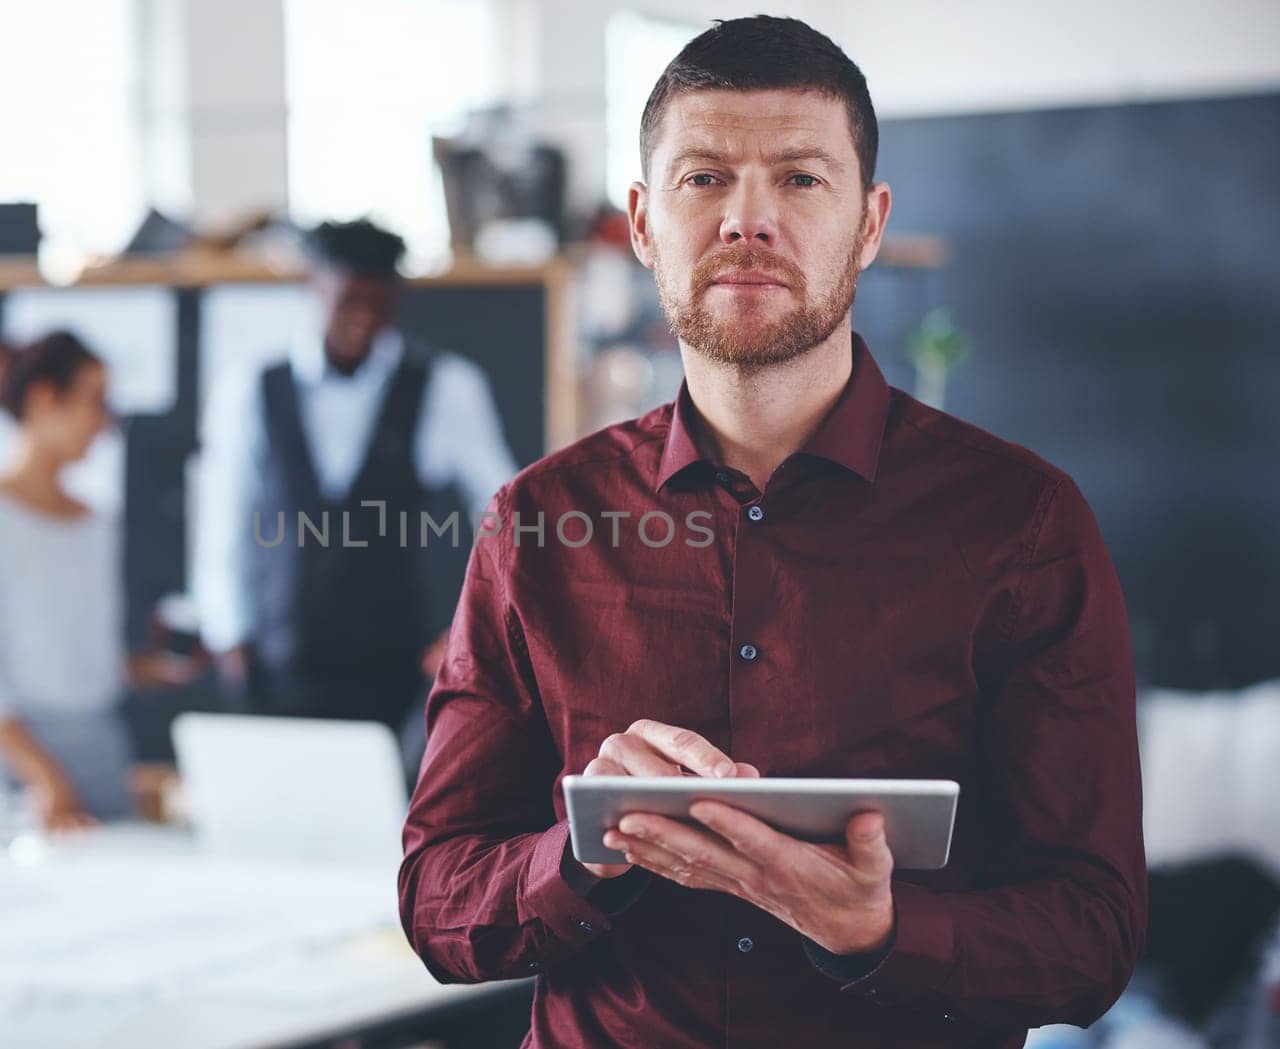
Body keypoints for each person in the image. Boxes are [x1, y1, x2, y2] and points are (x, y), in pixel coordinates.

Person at [400, 16, 1147, 1049]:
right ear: (643, 223)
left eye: (799, 179)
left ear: (869, 222)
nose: (747, 220)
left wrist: (884, 927)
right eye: (703, 178)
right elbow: (437, 897)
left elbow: (1093, 931)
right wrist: (581, 854)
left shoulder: (1021, 524)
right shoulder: (537, 522)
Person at [196, 219, 516, 742]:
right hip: (279, 663)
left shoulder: (444, 387)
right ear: (311, 287)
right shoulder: (250, 389)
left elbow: (506, 510)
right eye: (348, 301)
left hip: (393, 664)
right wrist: (228, 631)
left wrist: (478, 627)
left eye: (381, 305)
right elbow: (223, 518)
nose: (365, 320)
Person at [0, 332, 185, 835]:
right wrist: (46, 778)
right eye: (95, 402)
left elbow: (69, 646)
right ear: (44, 398)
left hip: (101, 756)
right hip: (15, 770)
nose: (106, 423)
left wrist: (139, 668)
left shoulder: (95, 521)